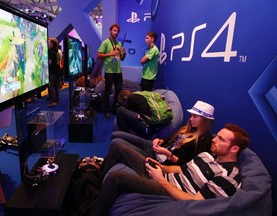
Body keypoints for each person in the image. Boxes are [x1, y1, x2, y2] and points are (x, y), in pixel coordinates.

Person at [90, 123, 249, 216]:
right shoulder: (207, 155)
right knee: (119, 147)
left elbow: (195, 202)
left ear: (234, 149)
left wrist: (160, 179)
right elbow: (181, 170)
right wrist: (161, 168)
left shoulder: (228, 177)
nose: (214, 139)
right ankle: (97, 185)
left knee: (117, 177)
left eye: (220, 139)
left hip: (167, 190)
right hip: (161, 176)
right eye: (217, 136)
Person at [112, 100, 214, 165]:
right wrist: (160, 140)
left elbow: (188, 165)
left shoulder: (205, 140)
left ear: (205, 120)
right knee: (116, 134)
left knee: (117, 143)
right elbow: (171, 139)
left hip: (160, 160)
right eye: (191, 115)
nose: (191, 119)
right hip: (157, 149)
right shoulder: (189, 128)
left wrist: (169, 155)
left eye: (195, 116)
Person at [97, 24, 126, 119]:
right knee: (107, 91)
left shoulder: (119, 44)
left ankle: (114, 109)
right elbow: (98, 55)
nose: (116, 33)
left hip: (118, 71)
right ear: (110, 31)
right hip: (109, 71)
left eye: (117, 31)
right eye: (114, 30)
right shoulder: (105, 42)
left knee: (118, 91)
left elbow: (121, 58)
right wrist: (110, 53)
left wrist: (124, 54)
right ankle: (106, 110)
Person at [47, 38, 61, 107]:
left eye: (49, 42)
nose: (48, 43)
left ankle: (54, 100)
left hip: (53, 71)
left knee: (51, 86)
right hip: (57, 71)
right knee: (55, 86)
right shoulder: (56, 51)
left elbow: (50, 62)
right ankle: (56, 99)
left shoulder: (51, 52)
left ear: (52, 44)